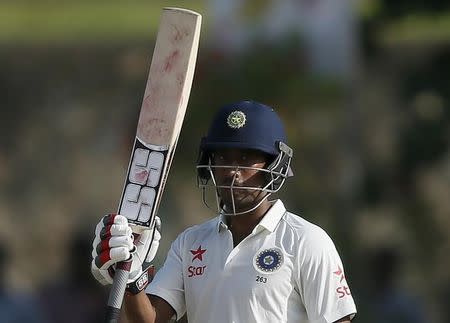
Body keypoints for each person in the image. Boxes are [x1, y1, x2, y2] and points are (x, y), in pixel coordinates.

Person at [91, 100, 357, 323]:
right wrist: (133, 279)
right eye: (223, 158)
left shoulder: (306, 241)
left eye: (245, 158)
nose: (232, 171)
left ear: (275, 166)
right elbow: (151, 319)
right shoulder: (190, 243)